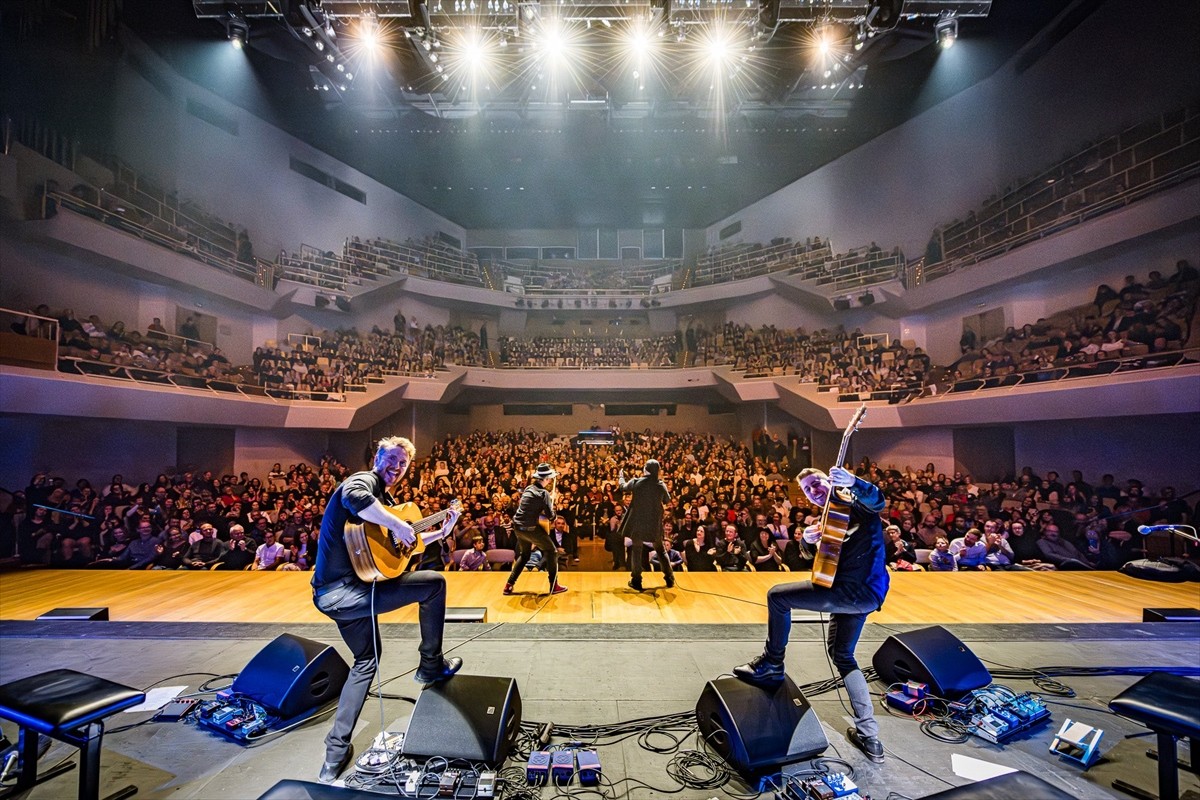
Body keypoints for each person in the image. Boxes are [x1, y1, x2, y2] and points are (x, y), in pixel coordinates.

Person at [312, 436, 462, 783]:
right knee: (434, 584)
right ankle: (430, 665)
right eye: (391, 460)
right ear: (377, 457)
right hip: (348, 592)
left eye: (403, 464)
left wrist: (440, 532)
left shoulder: (388, 504)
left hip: (340, 595)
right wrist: (398, 524)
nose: (396, 468)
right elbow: (355, 498)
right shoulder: (363, 481)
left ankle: (335, 752)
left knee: (367, 660)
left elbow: (403, 546)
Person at [732, 465, 888, 763]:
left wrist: (853, 482)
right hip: (859, 594)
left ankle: (772, 663)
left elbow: (877, 500)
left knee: (777, 597)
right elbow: (808, 557)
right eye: (807, 490)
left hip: (855, 590)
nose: (814, 491)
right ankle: (870, 736)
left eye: (817, 483)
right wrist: (807, 539)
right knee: (843, 655)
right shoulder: (827, 519)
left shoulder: (855, 504)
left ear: (831, 481)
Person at [503, 463, 567, 596]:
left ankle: (509, 585)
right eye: (549, 478)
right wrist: (554, 514)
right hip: (530, 528)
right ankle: (554, 585)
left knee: (525, 555)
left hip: (518, 527)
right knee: (552, 551)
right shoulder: (544, 493)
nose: (550, 480)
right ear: (546, 479)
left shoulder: (528, 488)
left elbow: (530, 508)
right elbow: (550, 516)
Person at [617, 459, 674, 591]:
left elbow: (623, 487)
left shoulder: (636, 482)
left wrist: (621, 477)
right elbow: (667, 500)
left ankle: (636, 580)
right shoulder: (660, 485)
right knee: (660, 549)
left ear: (645, 469)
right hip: (654, 522)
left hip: (638, 521)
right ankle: (669, 578)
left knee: (637, 550)